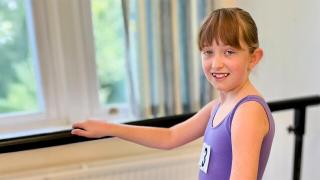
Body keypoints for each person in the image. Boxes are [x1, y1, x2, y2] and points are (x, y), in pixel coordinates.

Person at [72, 7, 275, 180]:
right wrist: (109, 128)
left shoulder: (247, 112)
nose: (216, 63)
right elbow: (170, 136)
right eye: (208, 52)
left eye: (229, 52)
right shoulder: (219, 106)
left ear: (253, 58)